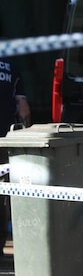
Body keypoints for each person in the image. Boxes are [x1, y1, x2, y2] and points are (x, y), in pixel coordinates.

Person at [0, 58, 30, 256]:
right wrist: (29, 136)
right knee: (2, 193)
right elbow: (22, 106)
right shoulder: (11, 66)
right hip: (5, 139)